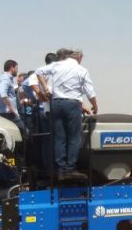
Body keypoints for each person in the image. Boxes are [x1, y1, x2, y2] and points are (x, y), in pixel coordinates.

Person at [36, 48, 98, 179]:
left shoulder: (57, 65)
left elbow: (39, 72)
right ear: (79, 57)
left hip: (56, 103)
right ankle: (70, 169)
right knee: (74, 138)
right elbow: (90, 92)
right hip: (72, 104)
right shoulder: (82, 70)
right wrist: (95, 106)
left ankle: (60, 170)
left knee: (60, 138)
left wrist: (45, 88)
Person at [0, 60, 25, 134]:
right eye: (16, 68)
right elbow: (3, 94)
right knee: (23, 132)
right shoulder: (6, 79)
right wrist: (12, 109)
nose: (17, 71)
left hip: (2, 112)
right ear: (12, 68)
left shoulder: (1, 78)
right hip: (7, 113)